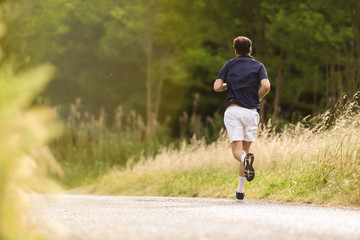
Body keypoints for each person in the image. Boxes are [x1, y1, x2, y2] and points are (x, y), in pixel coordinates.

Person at [213, 36, 270, 200]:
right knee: (246, 151)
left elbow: (217, 87)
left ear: (235, 50)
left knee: (239, 153)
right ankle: (240, 190)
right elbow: (266, 85)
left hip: (234, 111)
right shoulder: (259, 66)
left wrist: (227, 85)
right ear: (250, 50)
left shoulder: (229, 65)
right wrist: (258, 98)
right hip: (251, 113)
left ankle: (245, 161)